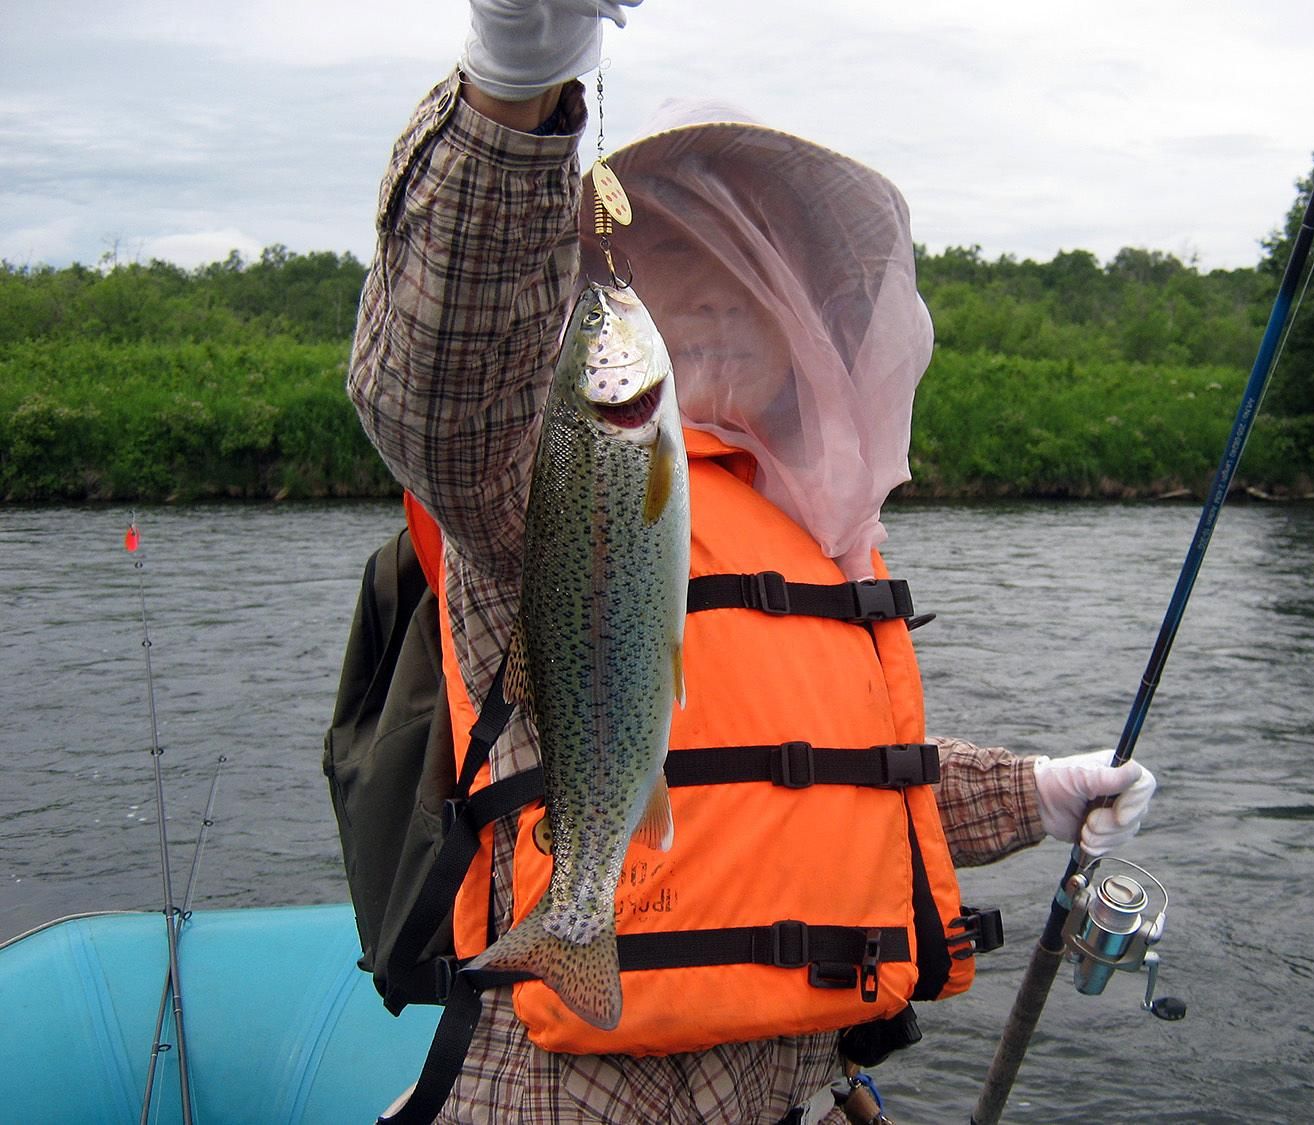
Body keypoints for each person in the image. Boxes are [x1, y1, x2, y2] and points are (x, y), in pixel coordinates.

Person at [347, 2, 1156, 1122]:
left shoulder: (815, 535)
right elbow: (437, 390)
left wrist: (1035, 794)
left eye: (752, 280)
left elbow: (831, 782)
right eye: (677, 267)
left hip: (795, 1090)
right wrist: (515, 74)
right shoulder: (531, 470)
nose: (721, 306)